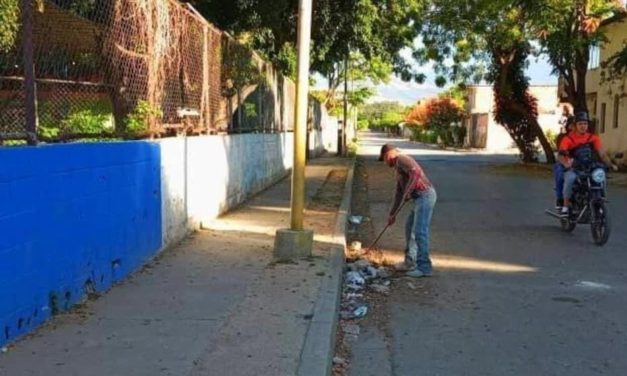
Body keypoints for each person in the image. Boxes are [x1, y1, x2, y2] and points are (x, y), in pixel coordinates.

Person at [379, 143, 437, 278]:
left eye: (384, 158)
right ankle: (409, 262)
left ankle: (425, 268)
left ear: (389, 154)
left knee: (419, 232)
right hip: (419, 199)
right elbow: (399, 193)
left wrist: (409, 191)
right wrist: (392, 213)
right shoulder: (398, 170)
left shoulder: (402, 159)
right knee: (409, 228)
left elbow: (415, 173)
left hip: (425, 196)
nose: (384, 162)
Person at [558, 111, 618, 217]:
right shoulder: (568, 139)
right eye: (580, 124)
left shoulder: (593, 138)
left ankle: (601, 200)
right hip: (574, 167)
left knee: (601, 177)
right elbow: (561, 155)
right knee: (570, 179)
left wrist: (610, 165)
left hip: (590, 167)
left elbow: (602, 154)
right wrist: (567, 165)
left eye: (585, 124)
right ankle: (565, 206)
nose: (583, 126)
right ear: (575, 125)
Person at [553, 116, 575, 210]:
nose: (573, 127)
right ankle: (560, 198)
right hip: (564, 162)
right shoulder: (562, 137)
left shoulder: (585, 137)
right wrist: (566, 162)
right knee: (559, 172)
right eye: (572, 125)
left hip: (578, 163)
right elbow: (561, 152)